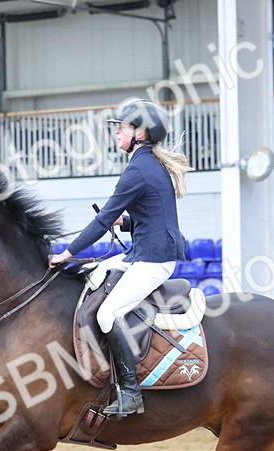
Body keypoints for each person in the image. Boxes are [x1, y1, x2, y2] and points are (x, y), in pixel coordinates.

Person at [50, 98, 192, 417]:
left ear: (140, 133)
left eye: (122, 128)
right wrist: (124, 223)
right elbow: (153, 215)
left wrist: (67, 253)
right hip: (143, 252)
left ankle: (130, 392)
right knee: (94, 275)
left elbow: (101, 221)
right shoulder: (148, 164)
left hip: (153, 260)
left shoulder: (138, 170)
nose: (116, 133)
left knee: (107, 315)